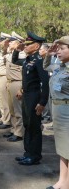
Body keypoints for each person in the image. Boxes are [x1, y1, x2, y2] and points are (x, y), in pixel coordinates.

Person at [13, 32, 49, 166]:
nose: (25, 47)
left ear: (36, 46)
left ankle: (35, 156)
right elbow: (15, 61)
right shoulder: (28, 60)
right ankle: (27, 153)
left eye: (28, 45)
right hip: (27, 96)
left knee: (34, 126)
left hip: (34, 96)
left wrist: (42, 102)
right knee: (27, 125)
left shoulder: (39, 61)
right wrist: (17, 50)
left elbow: (45, 82)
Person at [46, 36, 69, 189]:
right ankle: (62, 181)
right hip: (58, 111)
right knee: (63, 149)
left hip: (67, 113)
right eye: (57, 49)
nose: (58, 52)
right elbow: (46, 66)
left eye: (62, 49)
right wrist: (49, 54)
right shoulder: (60, 67)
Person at [4, 32, 26, 142]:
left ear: (17, 43)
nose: (9, 43)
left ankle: (19, 133)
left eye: (12, 41)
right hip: (9, 82)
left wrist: (21, 88)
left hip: (17, 83)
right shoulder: (11, 55)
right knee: (11, 109)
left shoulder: (21, 55)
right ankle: (13, 129)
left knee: (18, 110)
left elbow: (24, 74)